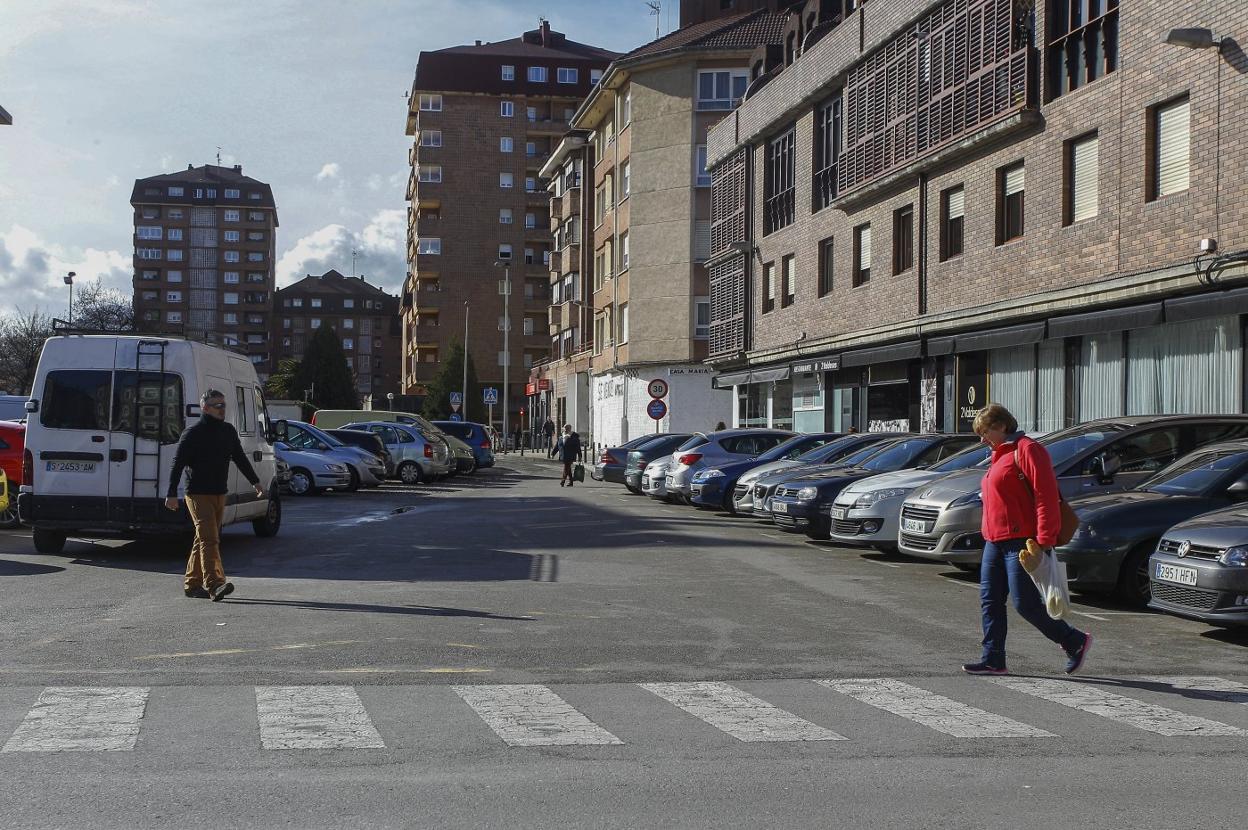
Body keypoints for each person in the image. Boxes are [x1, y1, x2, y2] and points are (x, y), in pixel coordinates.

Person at [964, 403, 1092, 676]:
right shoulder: (998, 454)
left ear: (1001, 426)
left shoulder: (1028, 450)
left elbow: (1046, 496)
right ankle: (993, 658)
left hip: (1023, 541)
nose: (982, 439)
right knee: (990, 601)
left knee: (1026, 604)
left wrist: (1045, 539)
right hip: (994, 541)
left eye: (985, 432)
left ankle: (1074, 640)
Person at [164, 389, 264, 601]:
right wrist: (171, 493)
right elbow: (177, 464)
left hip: (220, 492)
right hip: (198, 494)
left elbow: (239, 457)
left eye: (224, 405)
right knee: (210, 540)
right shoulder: (192, 433)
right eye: (217, 406)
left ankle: (192, 584)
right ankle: (215, 584)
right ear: (205, 408)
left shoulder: (228, 431)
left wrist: (255, 481)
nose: (222, 409)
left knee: (203, 539)